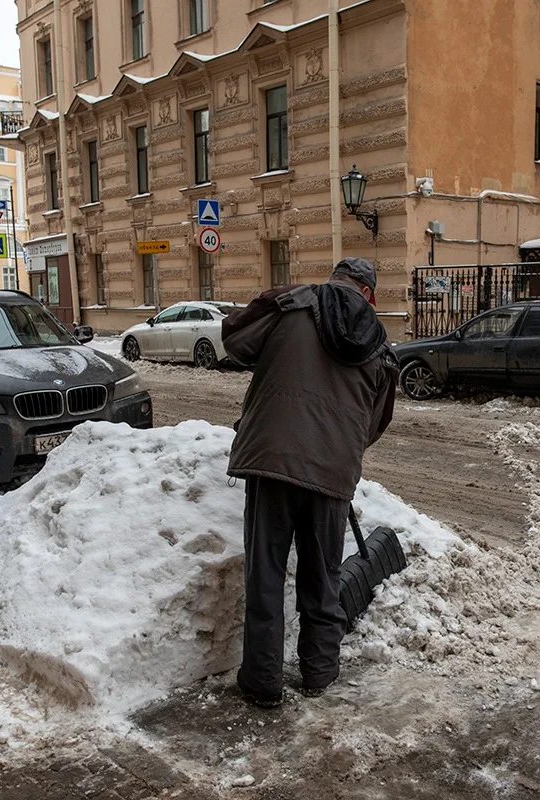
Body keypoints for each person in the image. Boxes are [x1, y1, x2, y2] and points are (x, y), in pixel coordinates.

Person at [222, 257, 398, 708]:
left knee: (266, 575)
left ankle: (263, 683)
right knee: (323, 577)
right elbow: (373, 427)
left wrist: (275, 301)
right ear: (369, 295)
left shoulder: (293, 305)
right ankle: (319, 672)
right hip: (331, 474)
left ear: (334, 280)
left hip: (273, 462)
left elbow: (235, 340)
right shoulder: (380, 347)